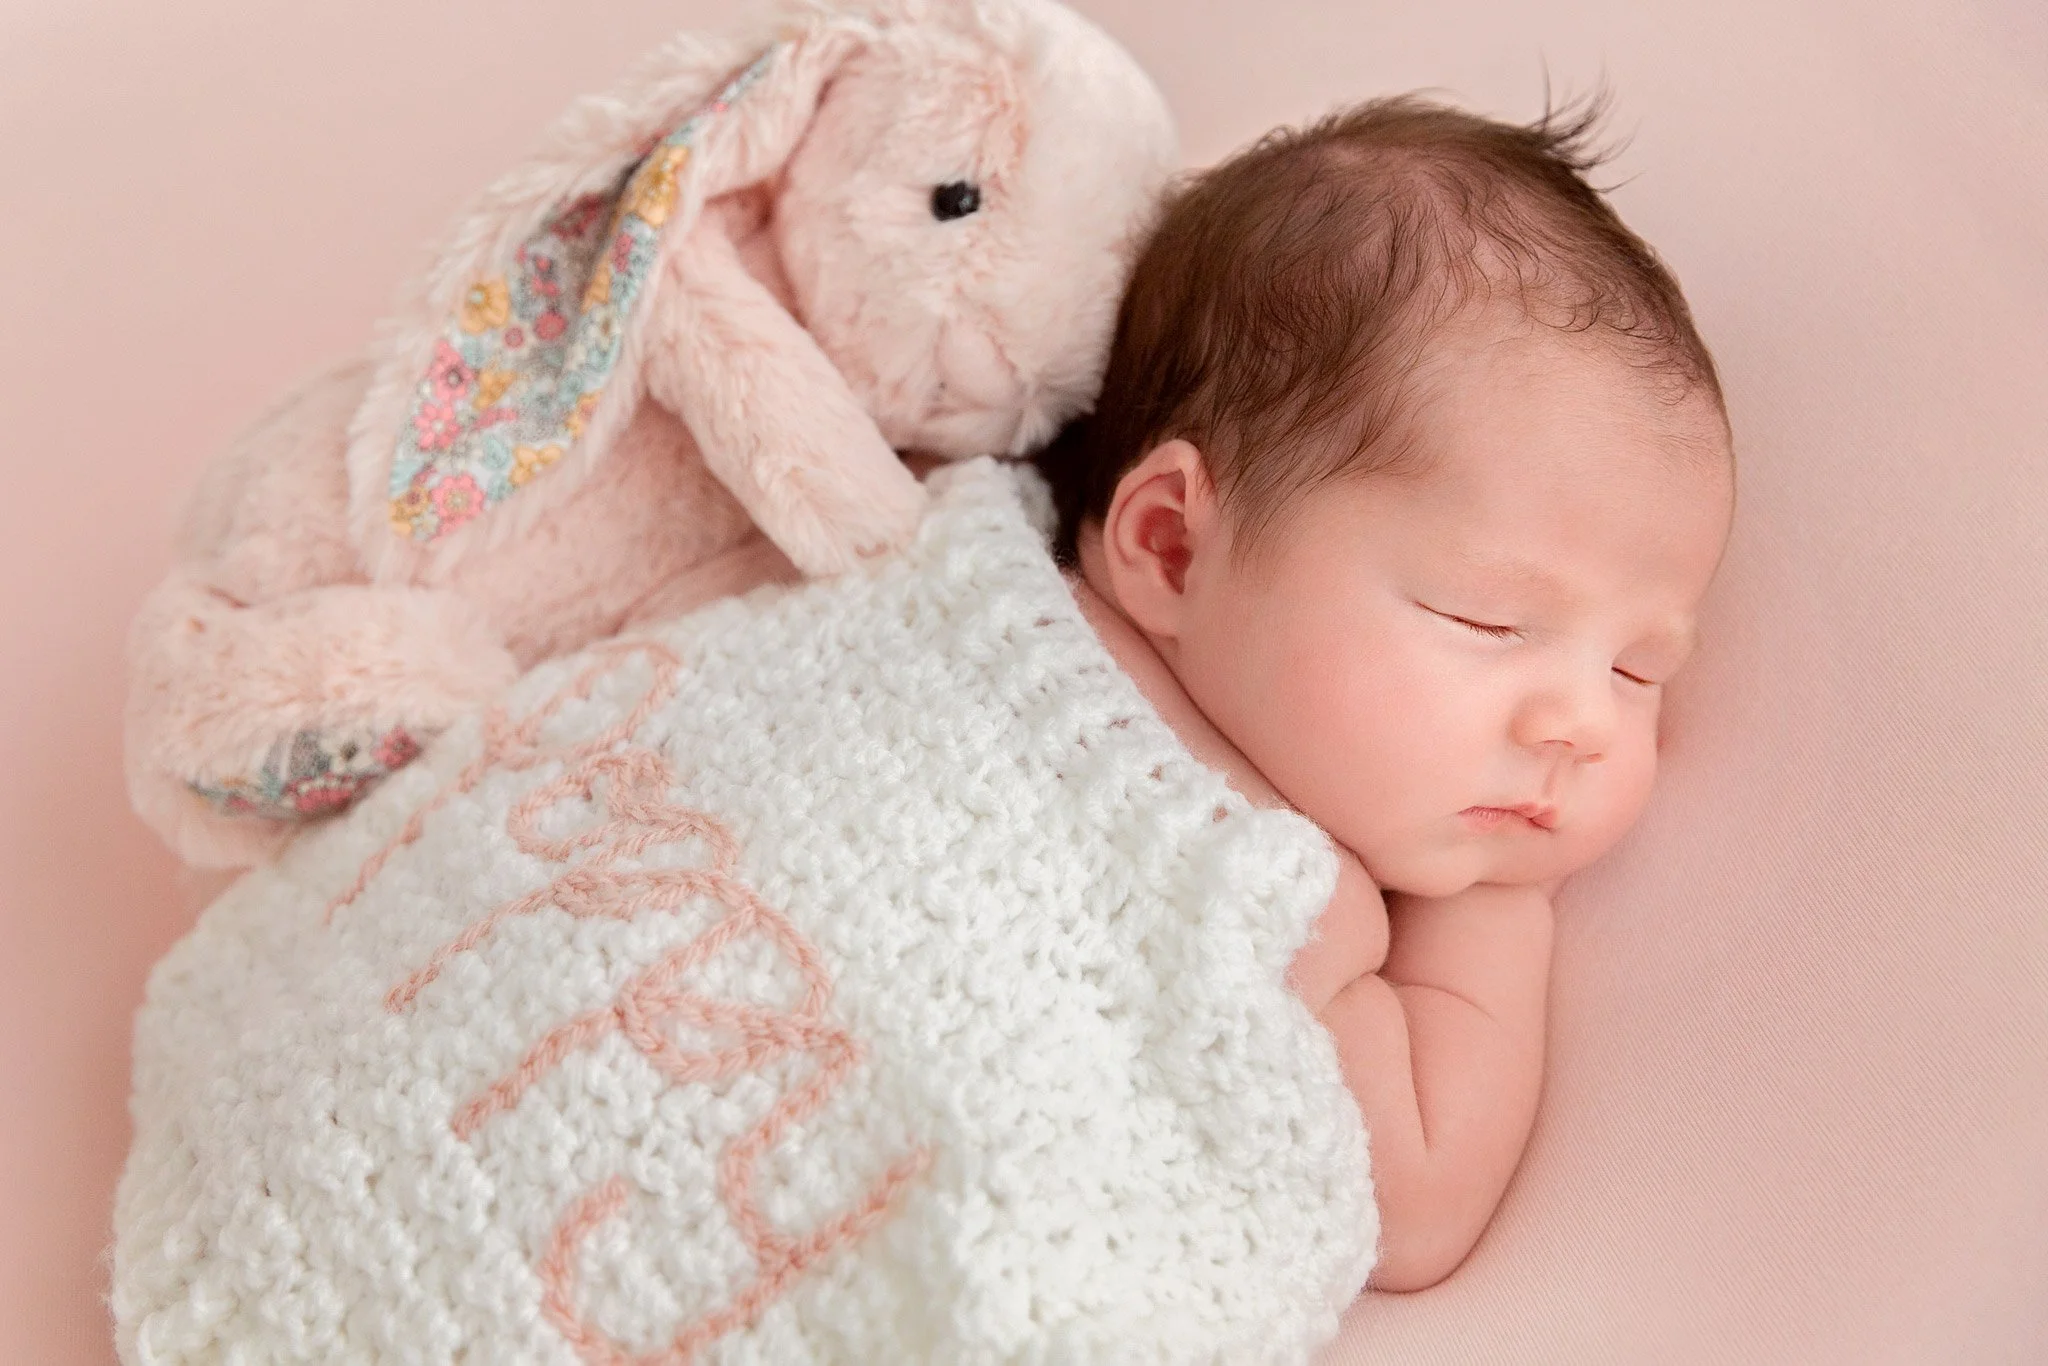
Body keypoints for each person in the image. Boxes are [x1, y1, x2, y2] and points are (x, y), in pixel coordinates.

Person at [1033, 93, 1736, 1292]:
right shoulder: (979, 595)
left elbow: (1389, 1202)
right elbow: (1405, 1211)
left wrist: (1490, 902)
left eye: (1636, 671)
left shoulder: (1294, 915)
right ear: (1171, 549)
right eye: (1485, 619)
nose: (1577, 723)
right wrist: (1493, 909)